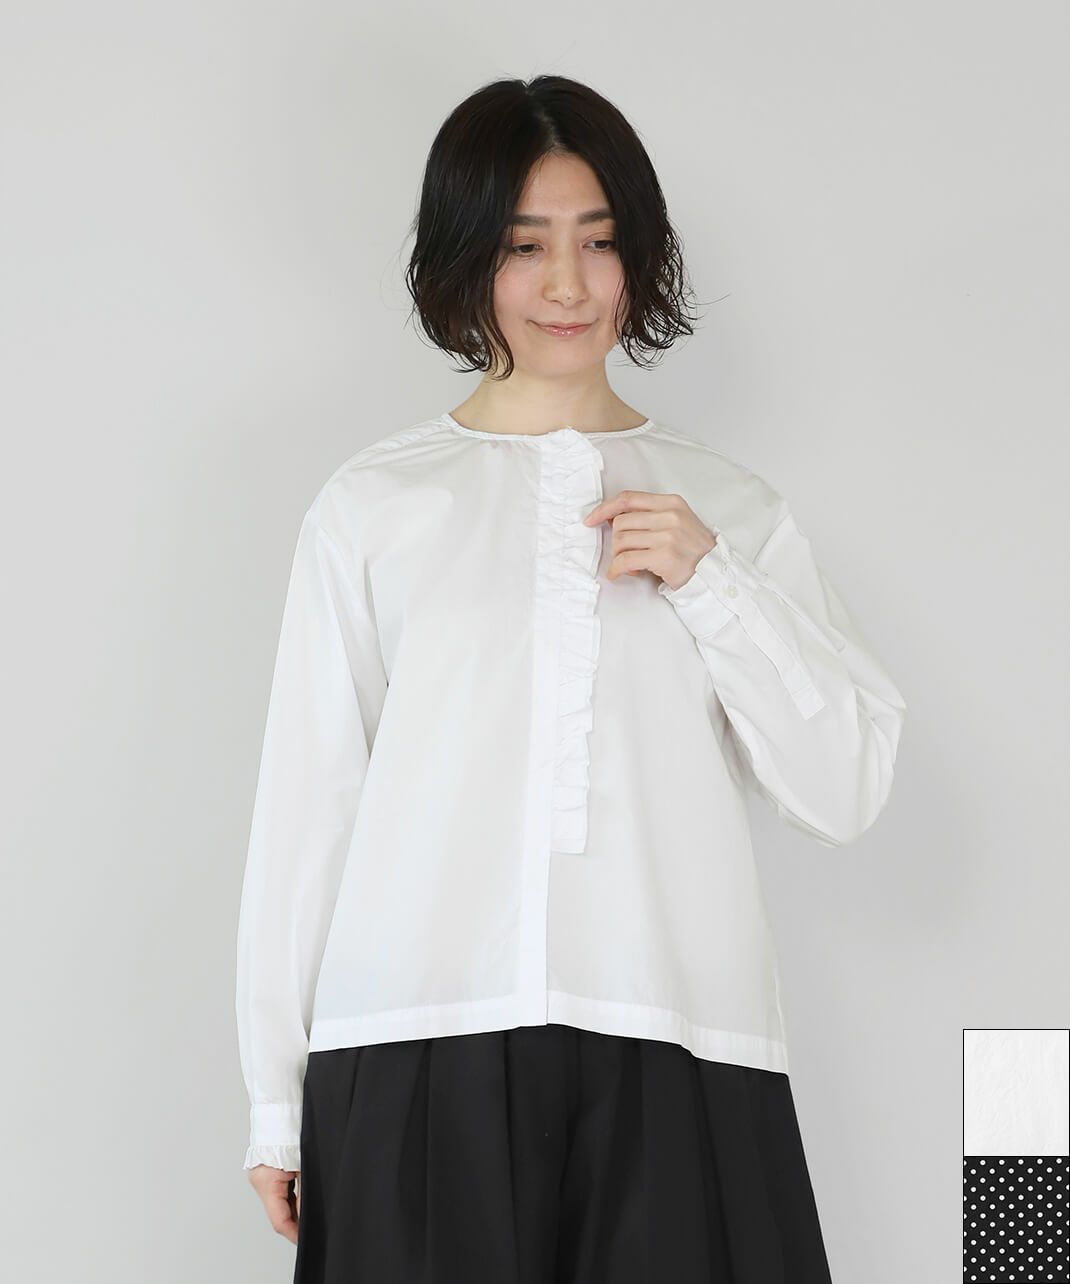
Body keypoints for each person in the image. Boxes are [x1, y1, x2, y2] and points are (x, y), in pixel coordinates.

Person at [236, 74, 907, 1283]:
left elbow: (844, 785)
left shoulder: (729, 509)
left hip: (679, 1039)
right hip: (415, 1041)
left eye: (598, 242)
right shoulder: (372, 506)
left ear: (639, 258)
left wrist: (709, 581)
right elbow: (310, 808)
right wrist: (277, 1102)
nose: (565, 284)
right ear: (461, 260)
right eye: (522, 245)